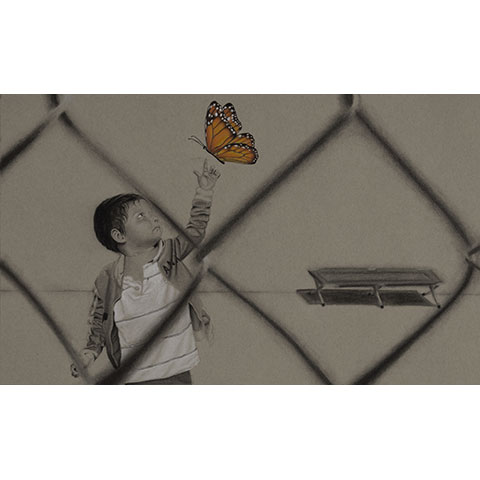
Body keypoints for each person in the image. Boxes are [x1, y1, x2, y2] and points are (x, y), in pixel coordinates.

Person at [71, 159, 220, 384]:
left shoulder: (169, 252)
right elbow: (99, 321)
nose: (153, 218)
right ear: (119, 236)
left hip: (176, 372)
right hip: (135, 378)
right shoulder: (108, 278)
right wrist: (90, 352)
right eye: (140, 217)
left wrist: (204, 192)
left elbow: (195, 232)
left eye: (150, 213)